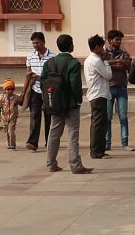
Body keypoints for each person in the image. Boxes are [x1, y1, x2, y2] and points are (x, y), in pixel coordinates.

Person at [40, 34, 92, 174]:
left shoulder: (49, 63)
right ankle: (75, 165)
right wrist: (78, 99)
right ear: (70, 45)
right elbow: (75, 84)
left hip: (55, 103)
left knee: (54, 132)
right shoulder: (73, 63)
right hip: (70, 104)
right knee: (72, 133)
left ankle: (51, 163)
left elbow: (42, 83)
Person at [22, 31, 55, 152]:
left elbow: (54, 75)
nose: (35, 45)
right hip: (35, 90)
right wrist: (23, 92)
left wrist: (40, 77)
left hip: (48, 91)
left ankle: (49, 141)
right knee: (34, 116)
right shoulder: (30, 56)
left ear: (43, 42)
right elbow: (27, 74)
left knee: (48, 116)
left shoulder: (52, 57)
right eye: (33, 43)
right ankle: (32, 142)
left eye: (37, 43)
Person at [84, 34, 112, 159]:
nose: (103, 49)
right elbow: (108, 75)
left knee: (99, 124)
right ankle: (96, 151)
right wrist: (106, 61)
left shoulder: (89, 59)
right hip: (98, 94)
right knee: (98, 124)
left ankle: (98, 149)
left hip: (96, 93)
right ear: (96, 47)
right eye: (101, 47)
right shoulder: (96, 60)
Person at [104, 30, 131, 151]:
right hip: (108, 88)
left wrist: (113, 64)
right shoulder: (104, 53)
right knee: (107, 117)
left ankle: (124, 142)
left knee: (123, 117)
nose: (119, 42)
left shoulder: (124, 53)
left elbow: (128, 65)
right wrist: (118, 63)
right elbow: (103, 64)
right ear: (110, 41)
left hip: (121, 88)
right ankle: (107, 142)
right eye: (117, 39)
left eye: (120, 40)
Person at [0, 78, 23, 150]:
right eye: (8, 89)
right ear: (5, 90)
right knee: (6, 130)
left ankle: (13, 144)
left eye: (12, 89)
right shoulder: (1, 98)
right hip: (4, 117)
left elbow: (21, 103)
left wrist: (22, 98)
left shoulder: (16, 98)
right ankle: (8, 143)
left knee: (11, 130)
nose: (10, 91)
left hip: (13, 117)